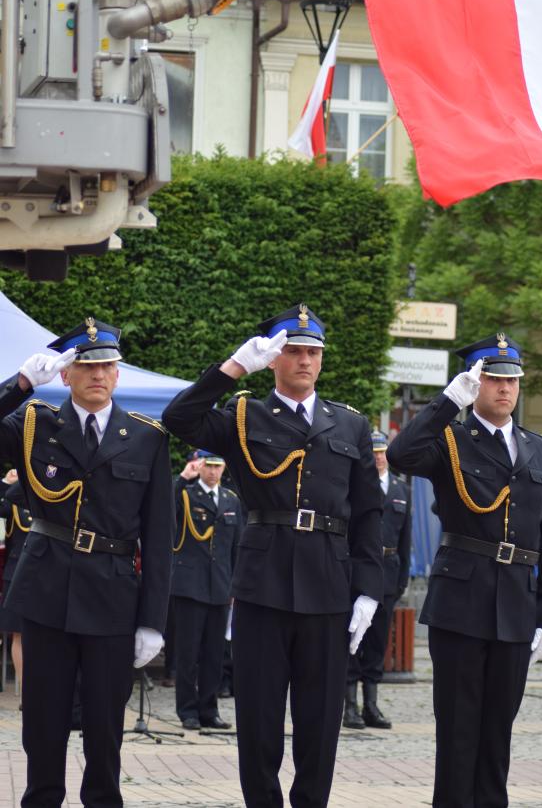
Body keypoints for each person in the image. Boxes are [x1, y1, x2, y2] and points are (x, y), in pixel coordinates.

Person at [162, 303, 384, 808]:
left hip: (328, 586)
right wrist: (234, 368)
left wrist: (368, 589)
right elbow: (179, 418)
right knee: (259, 718)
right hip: (263, 584)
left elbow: (369, 514)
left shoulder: (348, 425)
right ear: (275, 359)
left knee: (320, 721)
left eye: (313, 352)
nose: (304, 360)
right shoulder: (245, 415)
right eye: (293, 351)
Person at [0, 317, 174, 808]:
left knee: (104, 726)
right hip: (46, 587)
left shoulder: (146, 437)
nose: (98, 374)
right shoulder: (35, 424)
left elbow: (159, 537)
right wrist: (19, 385)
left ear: (118, 374)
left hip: (114, 594)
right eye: (86, 365)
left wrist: (153, 621)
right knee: (43, 721)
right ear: (66, 374)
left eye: (107, 366)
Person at [387, 332, 542, 808]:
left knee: (497, 733)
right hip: (461, 602)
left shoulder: (540, 449)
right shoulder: (450, 440)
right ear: (474, 383)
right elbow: (402, 454)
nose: (504, 389)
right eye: (491, 379)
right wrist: (448, 402)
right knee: (458, 729)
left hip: (515, 604)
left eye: (511, 380)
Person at [344, 430, 411, 730]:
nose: (379, 457)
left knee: (377, 643)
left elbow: (406, 538)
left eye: (383, 452)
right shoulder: (353, 484)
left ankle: (371, 703)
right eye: (374, 452)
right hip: (358, 571)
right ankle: (350, 706)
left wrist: (402, 580)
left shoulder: (400, 488)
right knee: (352, 640)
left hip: (389, 571)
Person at [171, 450, 242, 730]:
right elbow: (165, 506)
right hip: (190, 585)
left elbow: (236, 545)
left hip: (220, 586)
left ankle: (208, 709)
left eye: (217, 466)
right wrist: (182, 478)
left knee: (215, 653)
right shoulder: (186, 495)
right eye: (208, 466)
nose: (213, 472)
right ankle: (187, 710)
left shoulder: (231, 501)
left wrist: (236, 583)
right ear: (199, 466)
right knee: (188, 653)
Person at [0, 473, 30, 692]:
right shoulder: (12, 504)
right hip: (17, 574)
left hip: (44, 575)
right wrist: (5, 483)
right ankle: (24, 689)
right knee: (18, 634)